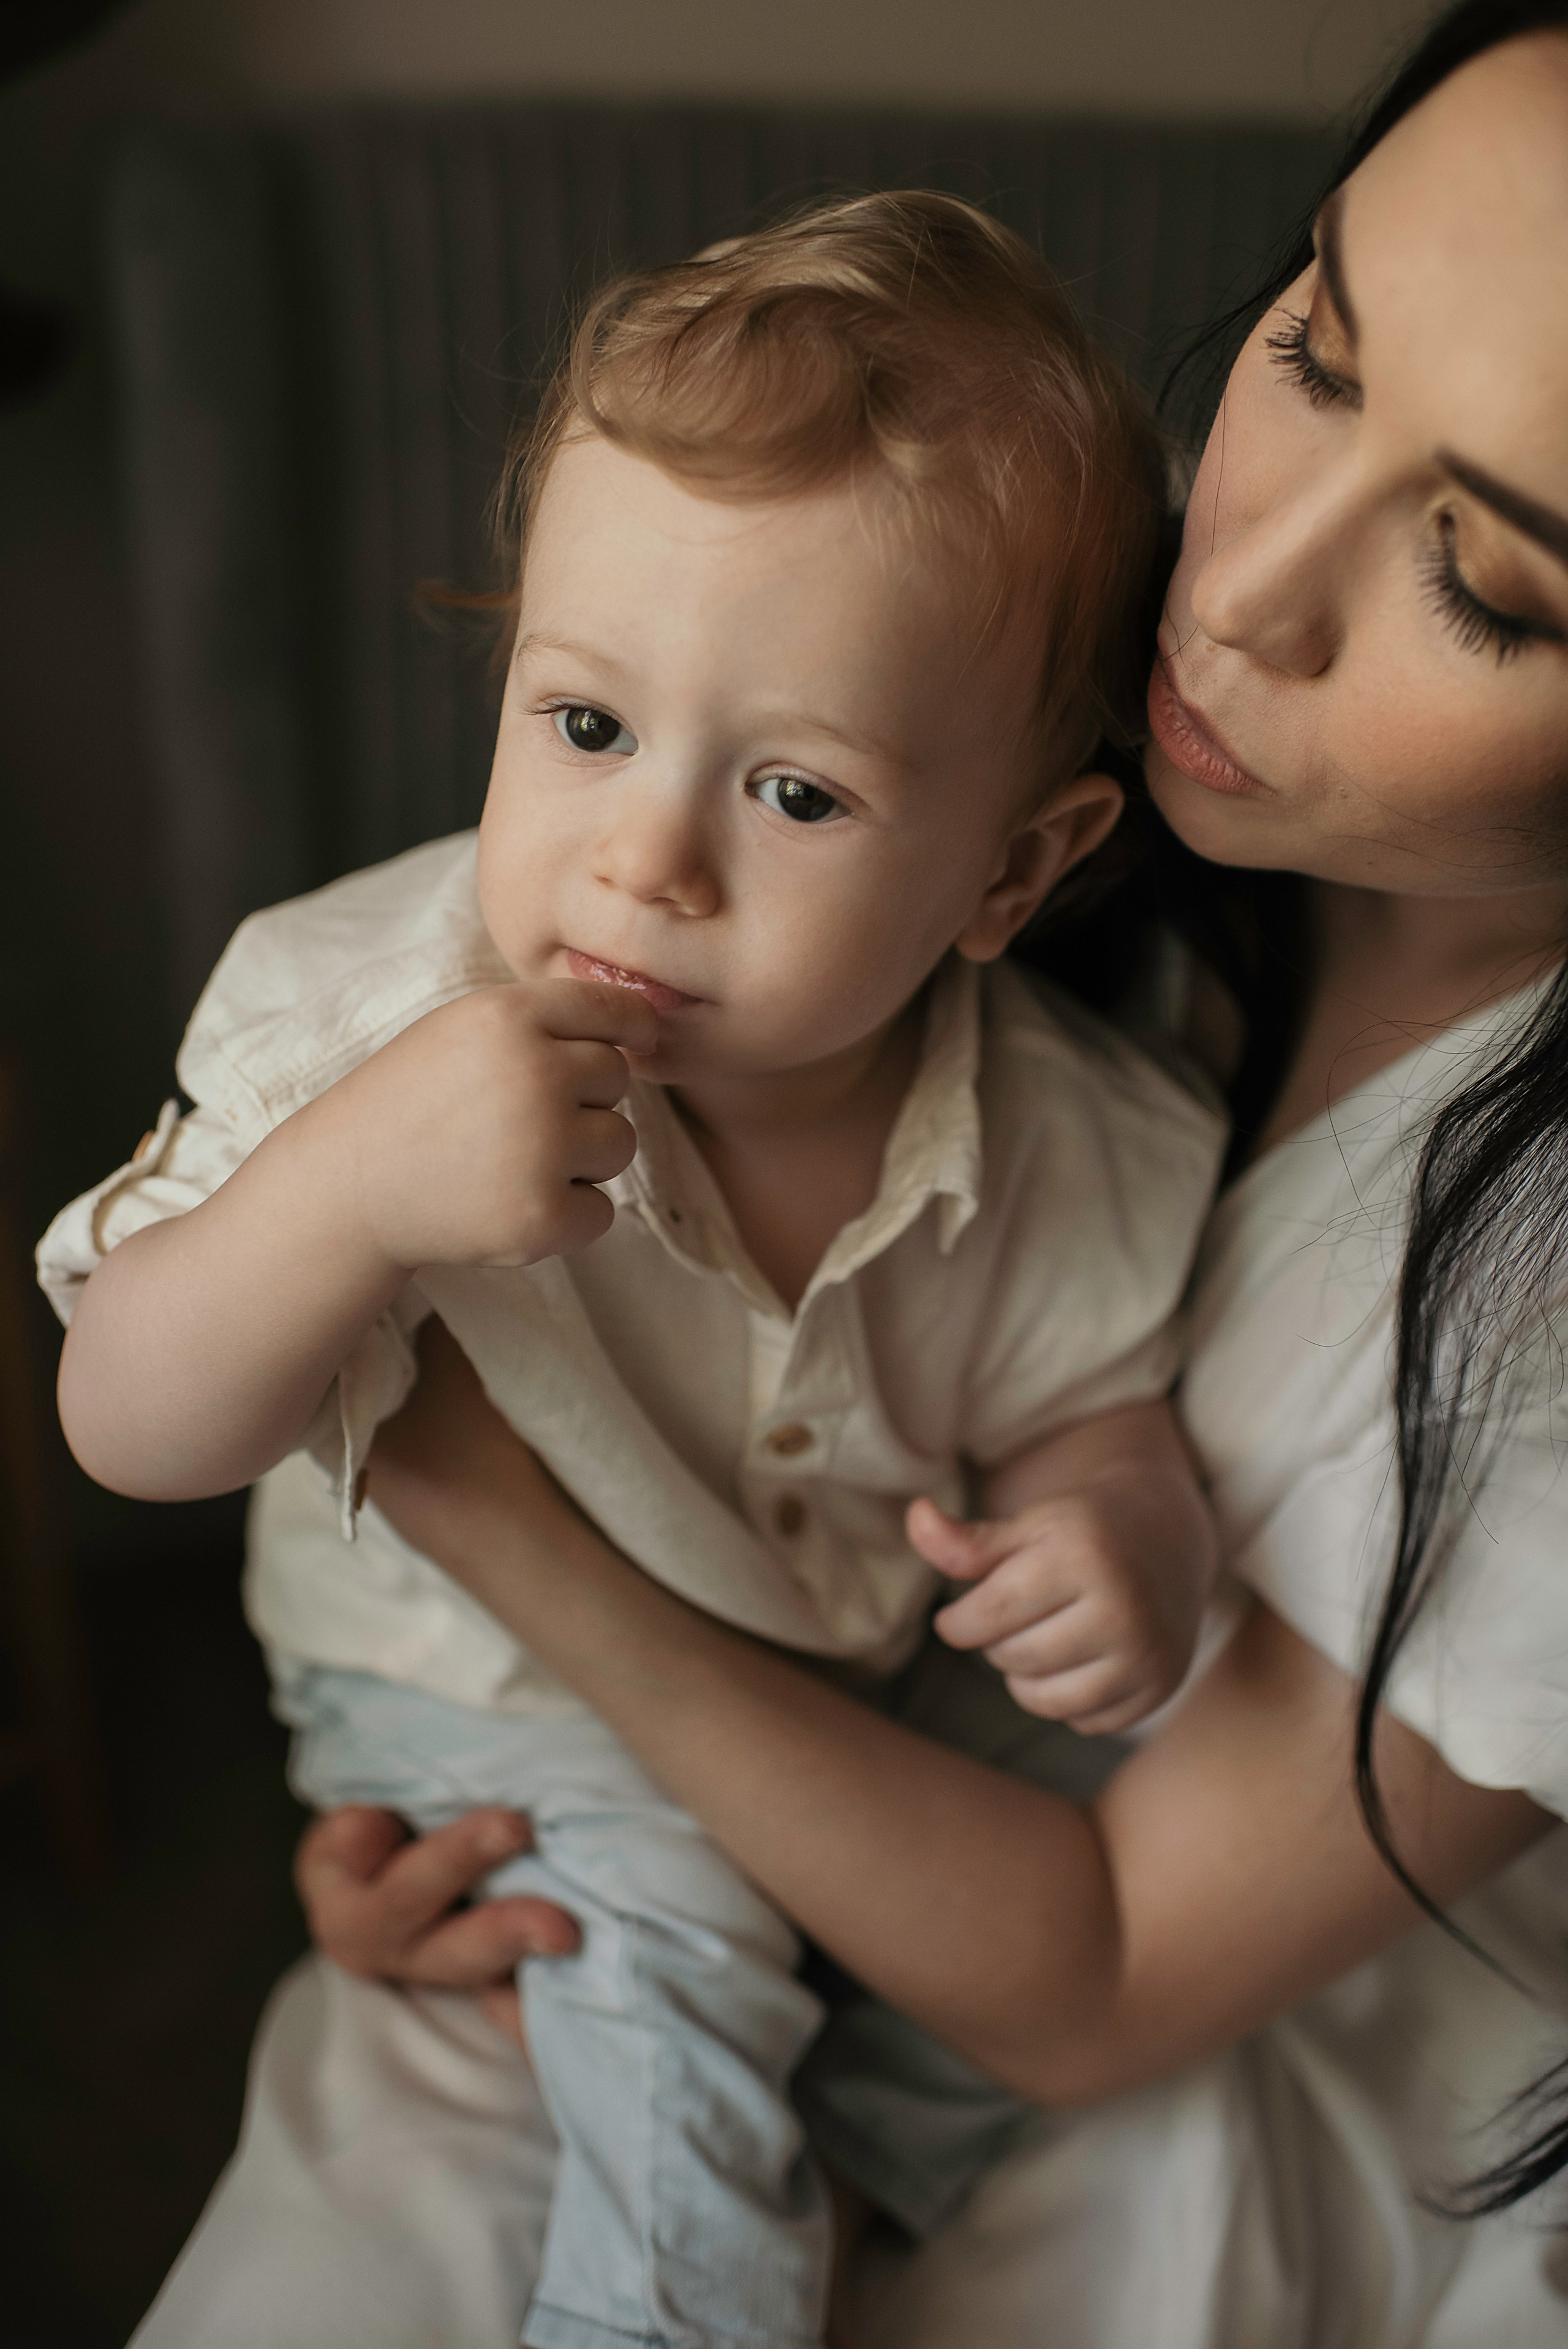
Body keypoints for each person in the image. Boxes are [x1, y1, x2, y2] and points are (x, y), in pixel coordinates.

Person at [165, 5, 1568, 2343]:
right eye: (1316, 350)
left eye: (1488, 581)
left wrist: (507, 1539)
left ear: (1023, 865)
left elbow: (1109, 1966)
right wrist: (469, 1761)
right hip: (710, 1820)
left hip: (1201, 2044)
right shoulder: (997, 776)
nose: (1230, 605)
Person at [40, 195, 1227, 2349]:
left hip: (835, 1676)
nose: (646, 856)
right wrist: (337, 1200)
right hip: (502, 1699)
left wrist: (1118, 1515)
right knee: (676, 2031)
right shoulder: (358, 1027)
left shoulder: (1070, 1127)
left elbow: (1094, 1388)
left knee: (1158, 1784)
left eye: (794, 789)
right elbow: (124, 1421)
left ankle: (854, 2123)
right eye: (583, 725)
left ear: (1015, 865)